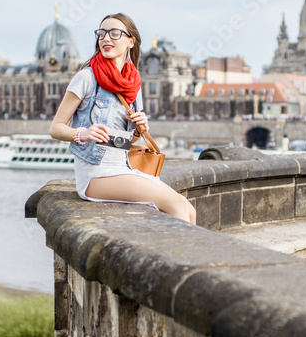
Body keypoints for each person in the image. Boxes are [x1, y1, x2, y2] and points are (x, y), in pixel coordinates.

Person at [49, 13, 196, 224]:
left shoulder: (133, 83)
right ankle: (183, 257)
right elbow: (55, 128)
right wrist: (84, 133)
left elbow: (123, 143)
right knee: (177, 205)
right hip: (96, 173)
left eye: (114, 33)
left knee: (189, 209)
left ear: (130, 41)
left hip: (123, 167)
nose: (106, 39)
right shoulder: (86, 78)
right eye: (102, 33)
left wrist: (138, 129)